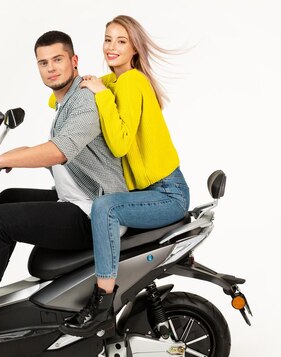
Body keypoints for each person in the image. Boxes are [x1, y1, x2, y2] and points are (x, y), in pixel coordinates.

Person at [0, 31, 127, 343]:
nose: (51, 68)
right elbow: (46, 148)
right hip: (78, 201)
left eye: (58, 60)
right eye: (43, 63)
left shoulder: (84, 101)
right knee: (6, 199)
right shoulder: (67, 102)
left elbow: (59, 150)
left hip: (94, 214)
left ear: (74, 61)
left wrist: (2, 162)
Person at [59, 15, 191, 337]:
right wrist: (75, 81)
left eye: (121, 41)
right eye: (107, 39)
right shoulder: (114, 83)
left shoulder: (131, 83)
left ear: (134, 49)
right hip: (150, 192)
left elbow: (119, 145)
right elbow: (57, 98)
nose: (112, 47)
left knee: (105, 208)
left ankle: (102, 302)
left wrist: (99, 93)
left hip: (167, 193)